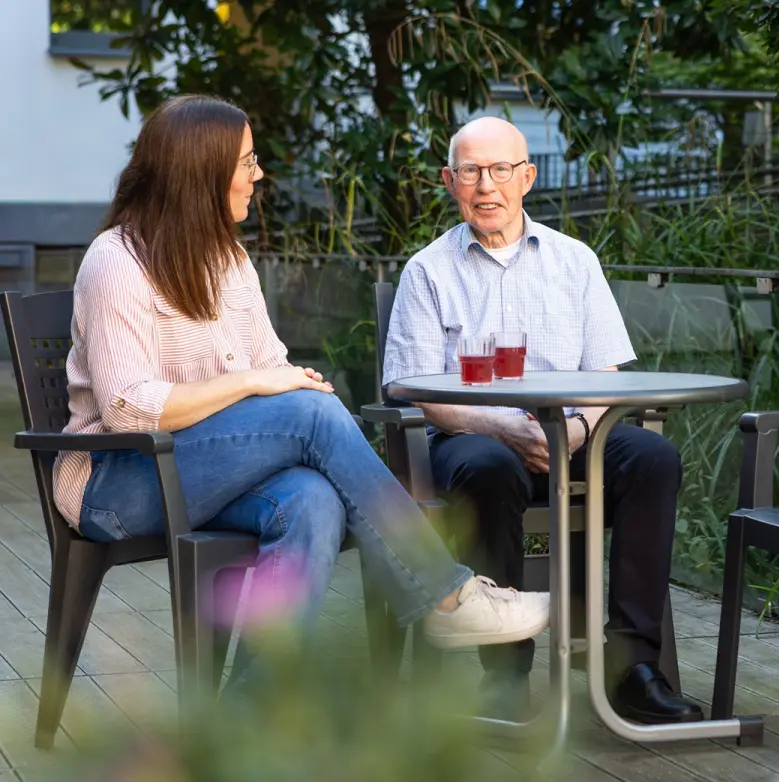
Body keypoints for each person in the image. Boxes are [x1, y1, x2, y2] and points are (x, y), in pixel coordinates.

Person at [53, 96, 552, 689]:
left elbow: (272, 365)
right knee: (312, 416)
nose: (257, 175)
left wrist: (285, 384)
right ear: (201, 173)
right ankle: (445, 595)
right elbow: (128, 407)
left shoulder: (228, 259)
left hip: (208, 471)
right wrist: (263, 387)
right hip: (120, 482)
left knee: (313, 499)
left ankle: (247, 724)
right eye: (246, 162)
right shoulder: (117, 262)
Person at [383, 116, 704, 724]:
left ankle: (632, 666)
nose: (486, 186)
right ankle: (505, 672)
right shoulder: (427, 272)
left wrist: (578, 431)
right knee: (487, 464)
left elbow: (605, 377)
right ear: (451, 181)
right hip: (473, 440)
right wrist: (502, 428)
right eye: (472, 171)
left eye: (500, 170)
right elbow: (415, 391)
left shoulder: (574, 261)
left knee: (653, 457)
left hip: (575, 435)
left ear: (526, 177)